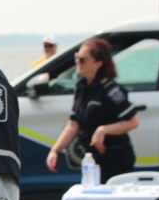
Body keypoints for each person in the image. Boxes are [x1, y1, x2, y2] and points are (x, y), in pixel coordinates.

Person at [46, 37, 140, 182]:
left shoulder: (110, 90)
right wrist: (55, 150)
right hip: (93, 160)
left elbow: (133, 121)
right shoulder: (81, 86)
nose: (77, 62)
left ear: (98, 63)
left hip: (115, 159)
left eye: (83, 59)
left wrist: (103, 130)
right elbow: (73, 124)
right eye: (77, 58)